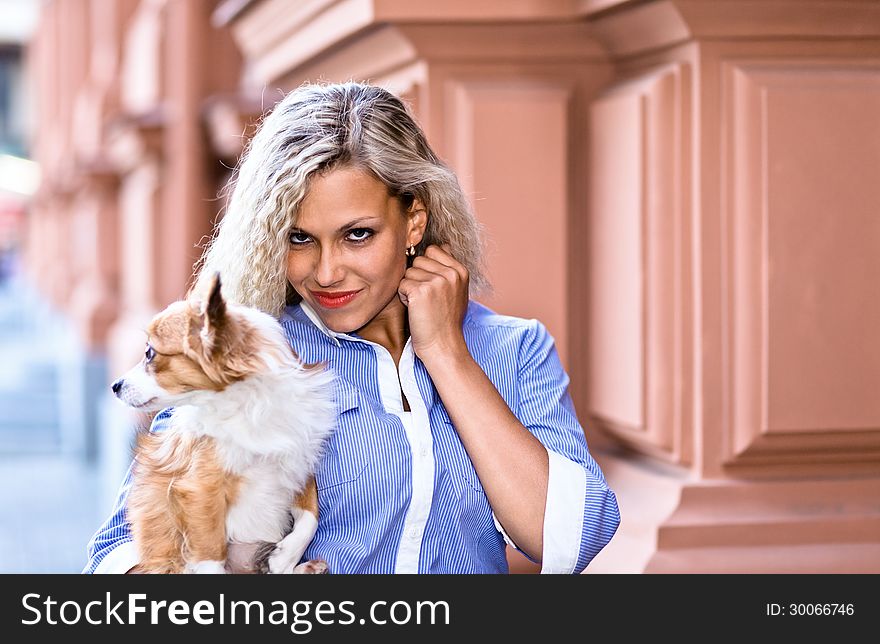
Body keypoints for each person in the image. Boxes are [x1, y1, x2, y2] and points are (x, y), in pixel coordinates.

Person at [84, 81, 620, 574]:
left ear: (414, 219)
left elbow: (569, 542)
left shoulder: (512, 348)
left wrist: (447, 354)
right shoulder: (253, 360)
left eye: (357, 234)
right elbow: (117, 555)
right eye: (300, 239)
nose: (326, 271)